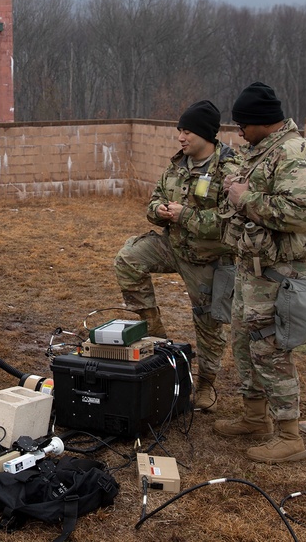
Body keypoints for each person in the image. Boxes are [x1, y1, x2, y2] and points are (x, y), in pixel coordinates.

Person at [213, 82, 306, 463]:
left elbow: (301, 211)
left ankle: (290, 435)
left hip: (279, 272)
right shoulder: (262, 151)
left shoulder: (295, 152)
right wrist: (236, 189)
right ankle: (255, 418)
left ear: (262, 122)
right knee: (245, 343)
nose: (238, 130)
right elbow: (253, 194)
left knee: (271, 348)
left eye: (243, 123)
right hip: (251, 269)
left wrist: (246, 197)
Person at [114, 100, 241, 410]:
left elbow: (232, 222)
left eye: (187, 132)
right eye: (179, 131)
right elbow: (153, 201)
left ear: (206, 134)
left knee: (208, 323)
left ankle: (206, 384)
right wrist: (158, 210)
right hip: (174, 247)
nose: (181, 138)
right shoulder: (177, 165)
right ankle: (157, 337)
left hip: (209, 259)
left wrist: (185, 216)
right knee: (128, 259)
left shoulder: (229, 169)